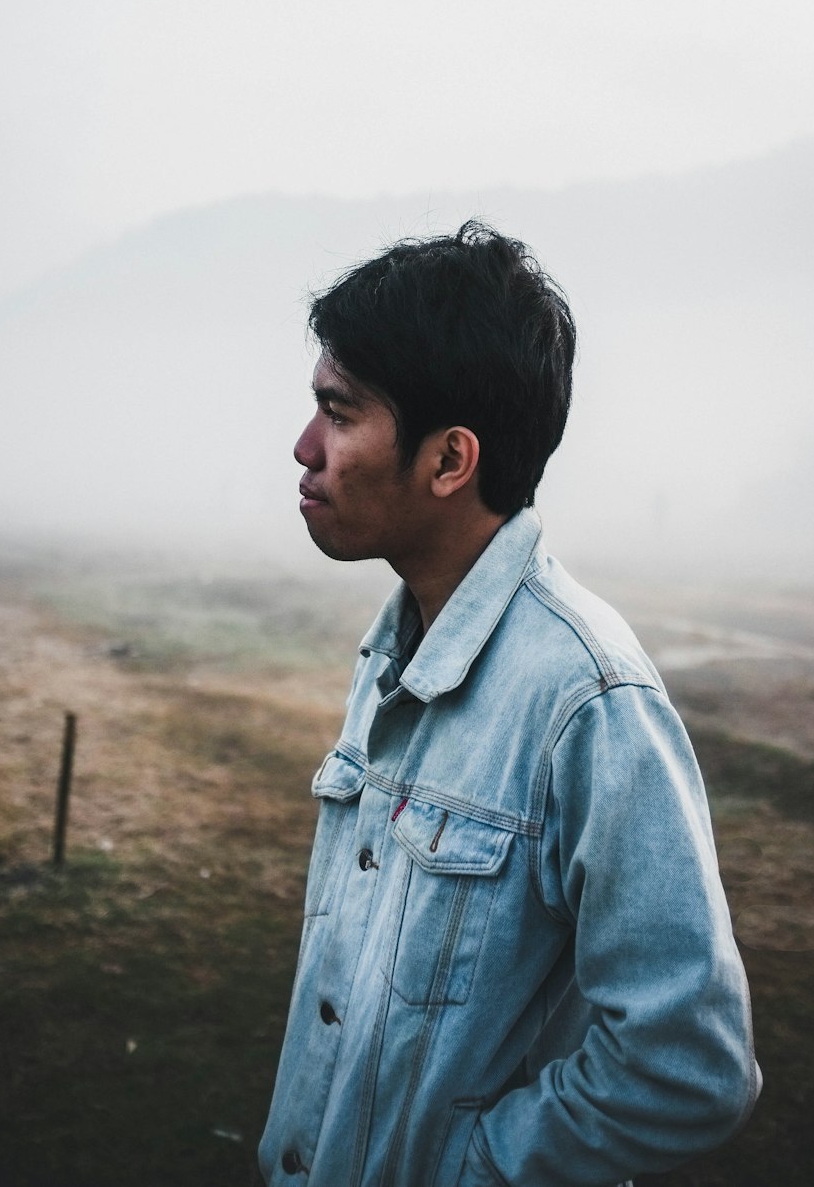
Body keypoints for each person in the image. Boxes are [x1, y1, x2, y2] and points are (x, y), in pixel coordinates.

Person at [259, 222, 760, 1187]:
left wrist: (469, 1169)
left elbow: (688, 1065)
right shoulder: (392, 647)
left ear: (450, 462)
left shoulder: (590, 702)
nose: (305, 446)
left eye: (340, 411)